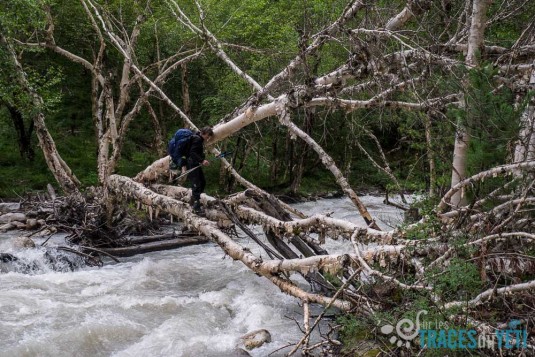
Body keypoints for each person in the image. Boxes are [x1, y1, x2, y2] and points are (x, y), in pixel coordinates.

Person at [186, 126, 213, 214]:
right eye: (208, 136)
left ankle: (195, 201)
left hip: (195, 163)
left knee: (202, 182)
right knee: (196, 184)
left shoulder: (197, 137)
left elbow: (195, 152)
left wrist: (201, 160)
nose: (208, 138)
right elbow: (192, 152)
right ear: (204, 133)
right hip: (192, 164)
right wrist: (202, 160)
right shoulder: (197, 140)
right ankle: (196, 207)